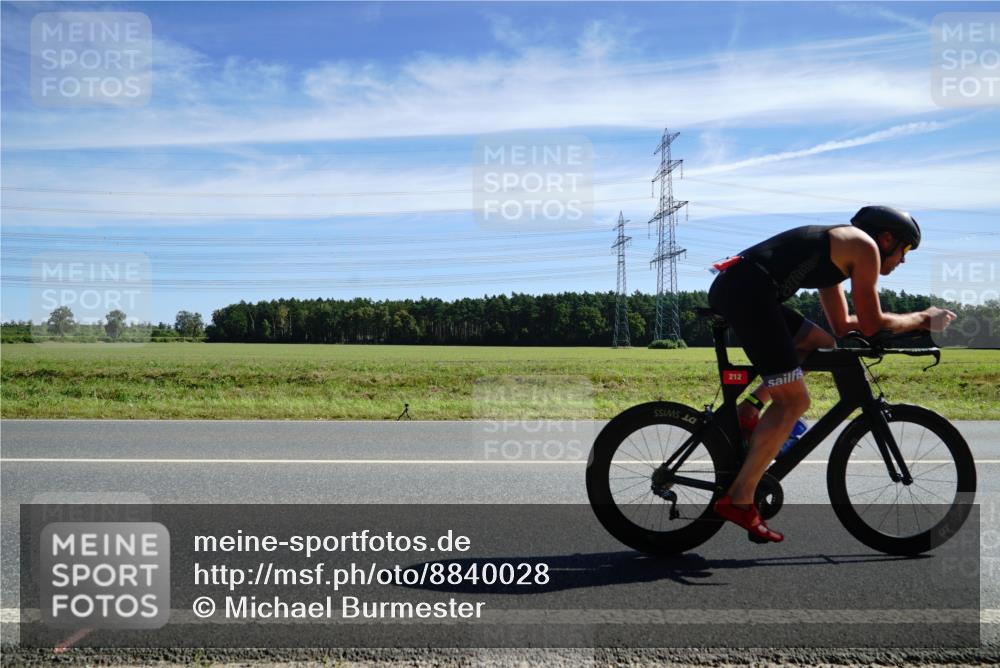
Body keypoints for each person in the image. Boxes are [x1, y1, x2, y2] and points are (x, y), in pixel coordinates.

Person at [706, 205, 957, 542]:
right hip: (749, 292)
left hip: (745, 287)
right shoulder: (864, 247)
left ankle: (751, 406)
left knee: (819, 342)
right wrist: (924, 318)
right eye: (906, 249)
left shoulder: (838, 253)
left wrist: (902, 324)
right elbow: (871, 323)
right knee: (793, 402)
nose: (904, 260)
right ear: (887, 238)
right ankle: (739, 499)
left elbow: (843, 327)